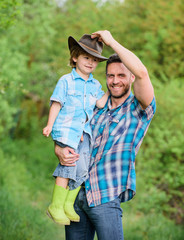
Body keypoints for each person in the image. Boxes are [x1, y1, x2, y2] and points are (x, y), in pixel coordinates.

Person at [54, 30, 156, 240]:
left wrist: (110, 42)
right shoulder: (95, 104)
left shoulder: (139, 109)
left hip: (105, 197)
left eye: (121, 75)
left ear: (131, 77)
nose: (115, 80)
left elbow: (143, 72)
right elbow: (69, 128)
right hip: (75, 196)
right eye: (110, 75)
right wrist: (59, 148)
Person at [43, 33, 109, 225]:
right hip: (66, 130)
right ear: (75, 57)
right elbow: (56, 103)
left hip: (83, 134)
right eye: (86, 57)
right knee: (69, 163)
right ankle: (56, 205)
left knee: (82, 168)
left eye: (95, 60)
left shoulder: (95, 85)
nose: (91, 62)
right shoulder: (66, 81)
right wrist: (49, 124)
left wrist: (112, 91)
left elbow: (100, 103)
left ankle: (67, 204)